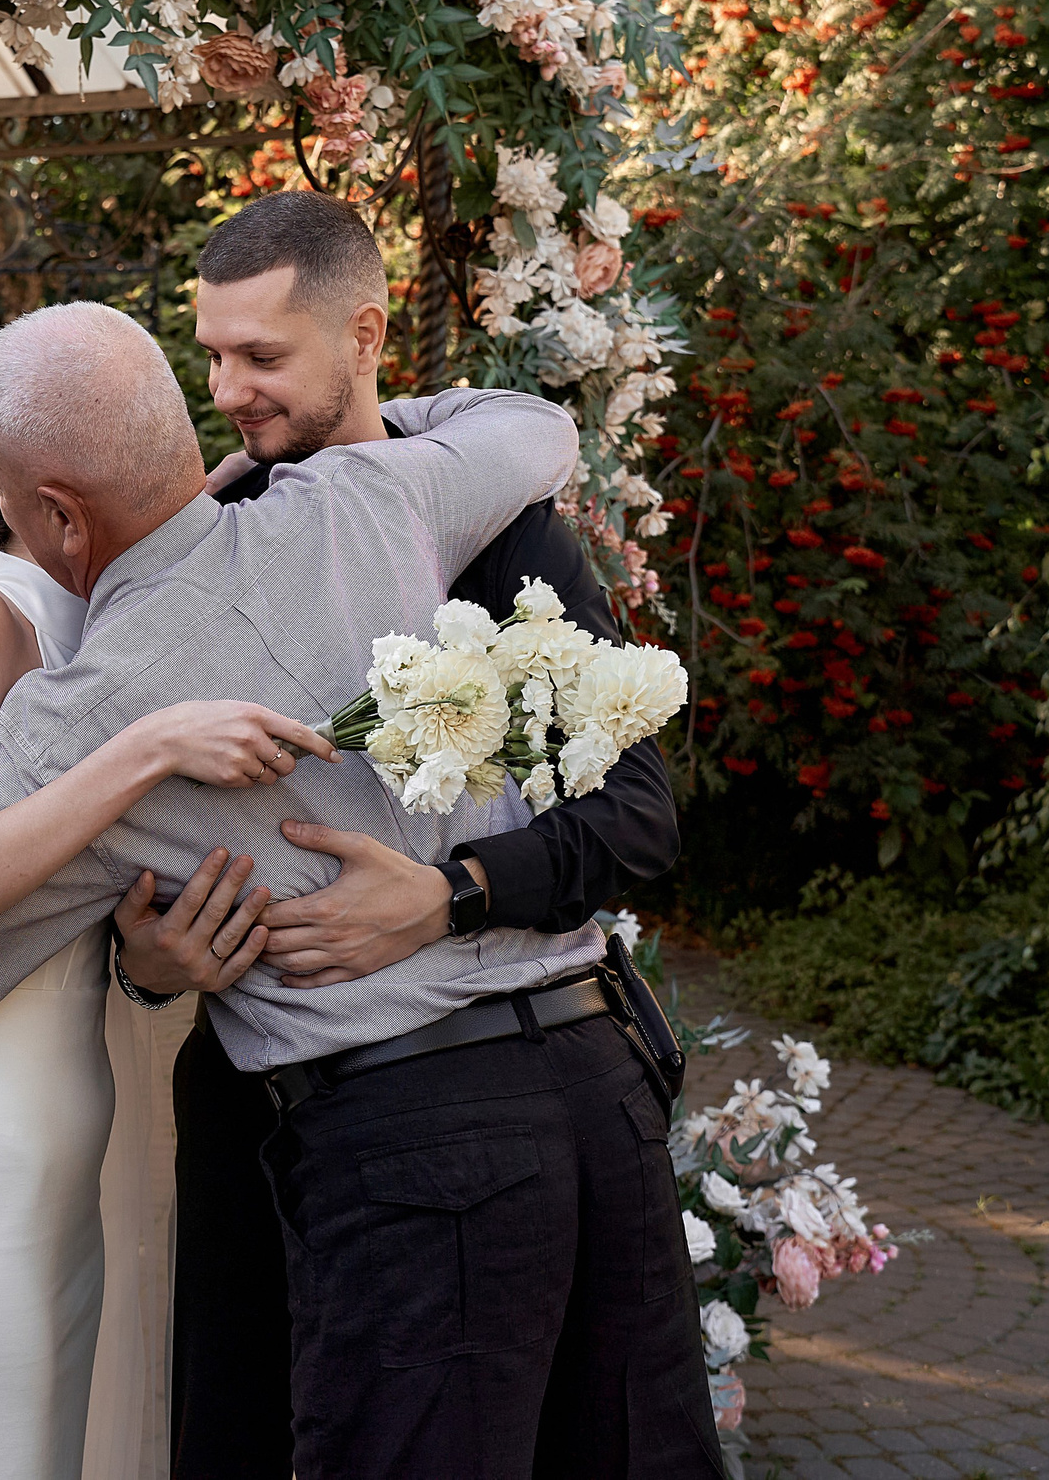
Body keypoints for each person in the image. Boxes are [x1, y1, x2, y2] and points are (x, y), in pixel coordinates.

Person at [0, 300, 606, 1476]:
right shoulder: (371, 494)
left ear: (51, 513)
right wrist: (289, 446)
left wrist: (130, 775)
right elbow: (538, 427)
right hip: (590, 1087)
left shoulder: (79, 727)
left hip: (388, 1146)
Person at [117, 189, 714, 1477]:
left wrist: (453, 894)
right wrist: (150, 960)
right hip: (293, 1128)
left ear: (366, 334)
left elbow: (637, 817)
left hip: (539, 1098)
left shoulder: (496, 531)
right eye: (210, 355)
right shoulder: (207, 547)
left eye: (262, 357)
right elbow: (135, 840)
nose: (227, 391)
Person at [0, 350, 335, 1480]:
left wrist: (146, 962)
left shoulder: (118, 619)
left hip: (69, 1158)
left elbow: (74, 899)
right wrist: (148, 748)